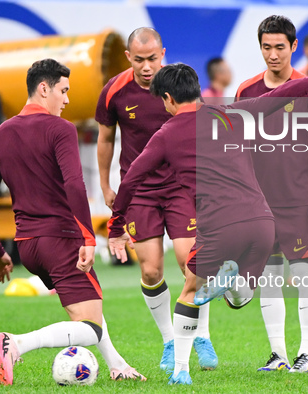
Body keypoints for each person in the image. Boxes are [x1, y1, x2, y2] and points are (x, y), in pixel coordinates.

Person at [108, 63, 308, 385]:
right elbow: (282, 93)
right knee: (241, 297)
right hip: (263, 223)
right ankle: (236, 285)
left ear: (167, 98)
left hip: (220, 226)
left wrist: (116, 226)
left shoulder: (165, 135)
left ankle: (181, 370)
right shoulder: (232, 114)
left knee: (191, 290)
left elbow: (132, 180)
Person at [0, 59, 145, 385]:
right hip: (61, 239)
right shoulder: (60, 129)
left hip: (27, 246)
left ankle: (118, 365)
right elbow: (74, 186)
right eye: (63, 90)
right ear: (44, 88)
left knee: (87, 307)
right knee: (90, 328)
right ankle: (17, 344)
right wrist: (88, 238)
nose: (66, 99)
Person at [94, 27, 217, 371]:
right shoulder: (114, 91)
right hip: (140, 191)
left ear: (163, 52)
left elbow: (201, 128)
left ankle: (202, 333)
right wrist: (105, 186)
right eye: (139, 60)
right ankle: (169, 340)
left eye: (153, 58)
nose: (147, 67)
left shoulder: (178, 85)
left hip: (179, 186)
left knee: (190, 261)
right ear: (128, 58)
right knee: (150, 269)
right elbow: (105, 140)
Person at [236, 15, 308, 374]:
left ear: (293, 47)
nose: (273, 54)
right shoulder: (246, 91)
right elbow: (238, 149)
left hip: (301, 200)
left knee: (306, 275)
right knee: (271, 277)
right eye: (266, 47)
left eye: (279, 47)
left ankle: (307, 355)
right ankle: (278, 355)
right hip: (260, 203)